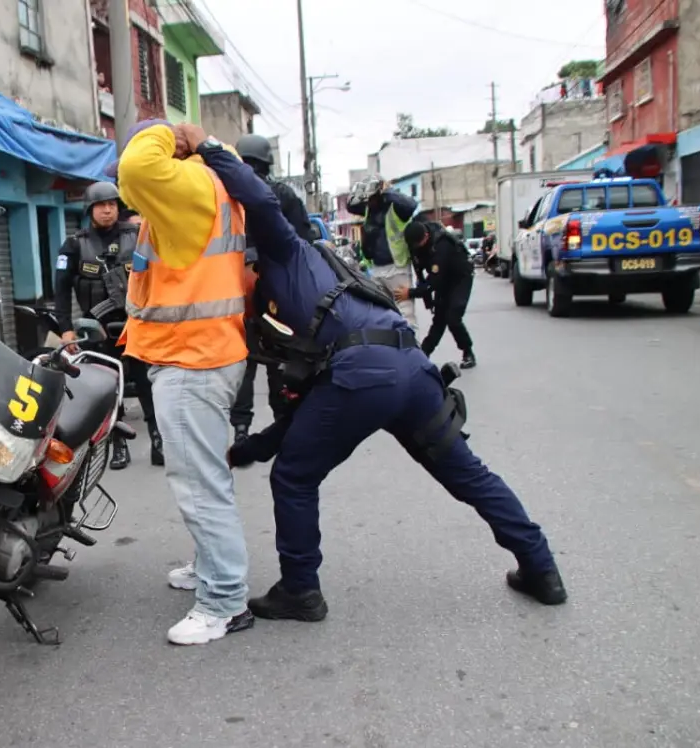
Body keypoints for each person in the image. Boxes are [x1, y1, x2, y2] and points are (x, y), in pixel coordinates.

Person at [191, 132, 568, 623]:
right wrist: (248, 450)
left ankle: (301, 589)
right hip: (410, 371)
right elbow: (313, 406)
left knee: (294, 475)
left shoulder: (290, 252)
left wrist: (207, 147)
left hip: (364, 373)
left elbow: (258, 197)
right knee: (466, 473)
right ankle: (541, 567)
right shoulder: (313, 283)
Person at [111, 119, 255, 645]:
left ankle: (223, 602)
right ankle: (210, 567)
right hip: (196, 354)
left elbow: (136, 167)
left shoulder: (193, 187)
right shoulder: (199, 189)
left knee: (199, 486)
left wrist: (171, 131)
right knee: (204, 476)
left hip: (192, 359)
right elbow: (132, 181)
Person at [54, 182, 159, 470]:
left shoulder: (137, 236)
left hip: (135, 325)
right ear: (90, 209)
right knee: (107, 387)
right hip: (95, 328)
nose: (107, 209)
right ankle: (118, 444)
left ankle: (158, 440)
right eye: (101, 205)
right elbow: (61, 290)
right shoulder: (74, 244)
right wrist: (66, 328)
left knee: (148, 383)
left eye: (112, 204)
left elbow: (158, 275)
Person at [230, 133, 319, 446]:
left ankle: (241, 429)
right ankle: (285, 423)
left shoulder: (225, 191)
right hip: (277, 289)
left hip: (234, 288)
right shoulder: (281, 193)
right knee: (281, 357)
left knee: (245, 360)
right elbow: (305, 243)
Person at [397, 220, 477, 368]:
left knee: (453, 317)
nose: (416, 247)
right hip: (442, 280)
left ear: (426, 236)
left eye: (418, 244)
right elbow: (420, 273)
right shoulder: (415, 244)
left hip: (460, 278)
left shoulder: (441, 245)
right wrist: (428, 299)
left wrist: (411, 293)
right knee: (439, 320)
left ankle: (468, 352)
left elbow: (433, 281)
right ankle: (424, 353)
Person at [346, 175, 419, 327]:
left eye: (371, 198)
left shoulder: (395, 207)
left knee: (406, 314)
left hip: (396, 268)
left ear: (379, 195)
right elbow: (351, 206)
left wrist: (386, 190)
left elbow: (411, 205)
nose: (368, 203)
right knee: (382, 313)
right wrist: (360, 191)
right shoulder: (368, 210)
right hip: (376, 269)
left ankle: (412, 347)